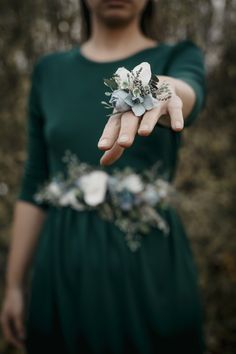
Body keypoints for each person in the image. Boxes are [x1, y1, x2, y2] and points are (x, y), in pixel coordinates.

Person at [0, 0, 207, 353]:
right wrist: (15, 285)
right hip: (63, 264)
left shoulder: (179, 55)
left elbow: (188, 93)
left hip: (149, 261)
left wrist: (164, 88)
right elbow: (35, 180)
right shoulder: (49, 71)